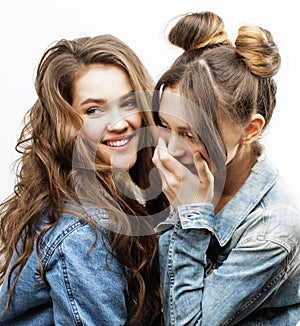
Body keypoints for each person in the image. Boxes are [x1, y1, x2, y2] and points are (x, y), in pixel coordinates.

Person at [0, 34, 168, 325]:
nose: (119, 124)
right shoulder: (83, 234)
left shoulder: (110, 196)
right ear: (66, 124)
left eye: (128, 103)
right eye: (94, 110)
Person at [152, 11, 300, 325]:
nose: (172, 149)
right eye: (165, 125)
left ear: (250, 129)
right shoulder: (183, 171)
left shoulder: (273, 230)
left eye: (191, 133)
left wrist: (190, 218)